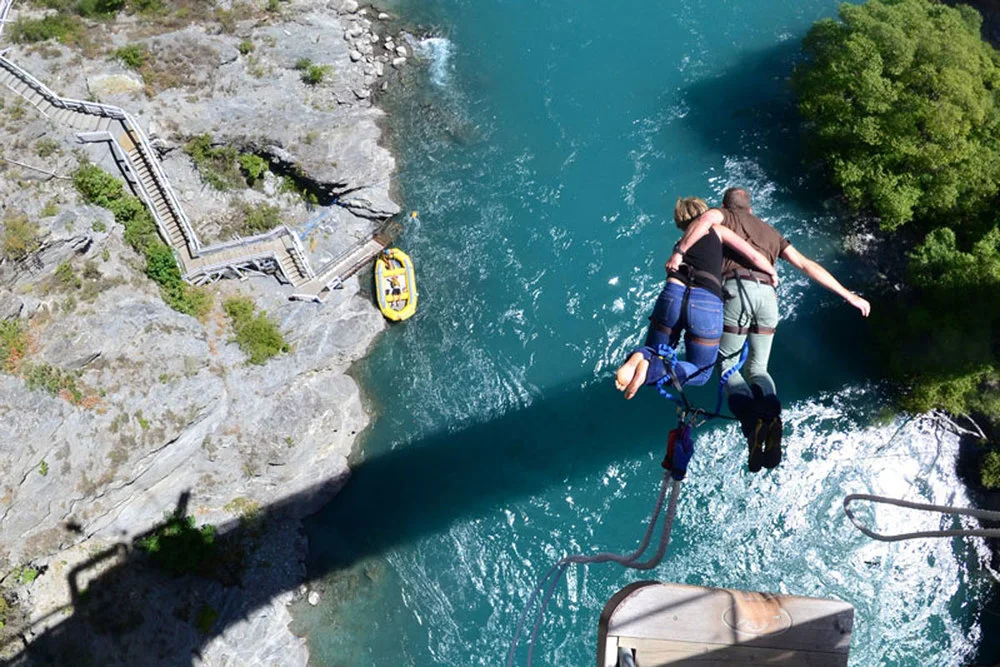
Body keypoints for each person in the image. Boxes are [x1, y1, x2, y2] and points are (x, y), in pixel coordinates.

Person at [665, 187, 871, 472]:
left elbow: (705, 221)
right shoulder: (771, 233)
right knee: (758, 369)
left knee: (727, 367)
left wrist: (679, 251)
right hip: (768, 300)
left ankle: (752, 424)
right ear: (751, 209)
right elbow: (806, 265)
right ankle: (771, 418)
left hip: (735, 292)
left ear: (727, 206)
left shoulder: (720, 217)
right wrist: (849, 295)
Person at [615, 196, 778, 400]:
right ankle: (650, 369)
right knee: (701, 373)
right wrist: (771, 272)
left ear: (679, 222)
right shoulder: (718, 231)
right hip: (705, 302)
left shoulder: (680, 245)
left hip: (672, 294)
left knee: (654, 351)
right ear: (705, 212)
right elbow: (753, 256)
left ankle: (643, 357)